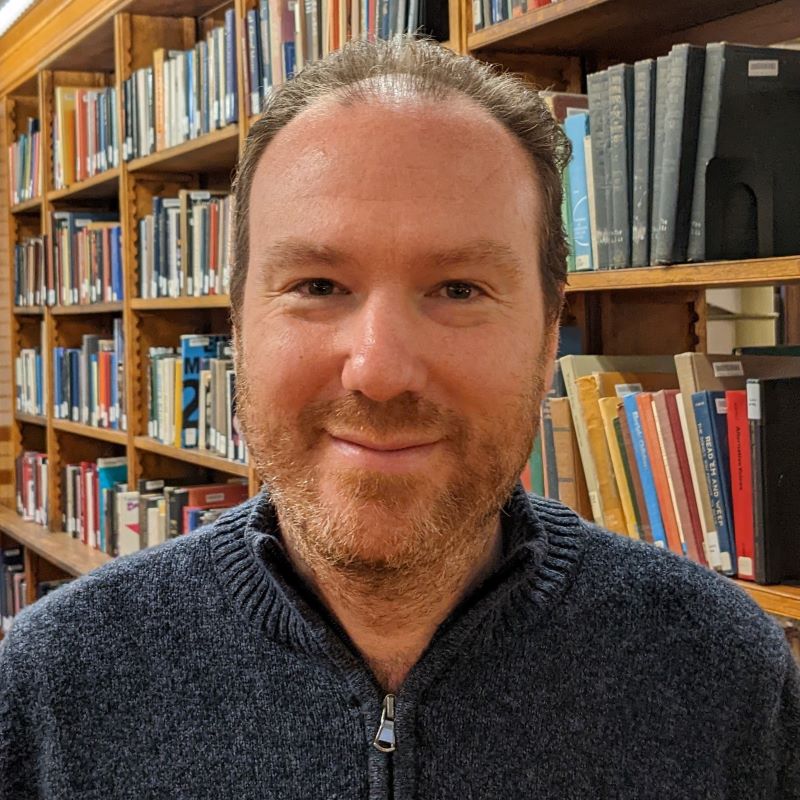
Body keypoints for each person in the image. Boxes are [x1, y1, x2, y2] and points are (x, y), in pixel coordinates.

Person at [1, 35, 798, 799]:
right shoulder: (54, 685)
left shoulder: (727, 674)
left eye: (458, 289)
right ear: (238, 321)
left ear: (550, 329)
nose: (379, 372)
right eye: (317, 285)